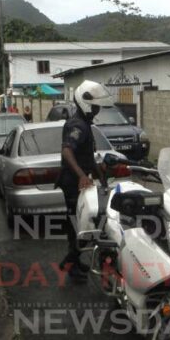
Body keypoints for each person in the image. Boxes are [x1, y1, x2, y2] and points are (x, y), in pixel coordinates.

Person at [56, 80, 113, 279]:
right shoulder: (77, 125)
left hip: (79, 181)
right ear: (85, 103)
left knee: (80, 225)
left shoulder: (85, 124)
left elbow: (87, 156)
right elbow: (67, 150)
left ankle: (72, 262)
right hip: (72, 182)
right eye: (95, 106)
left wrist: (99, 173)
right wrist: (81, 175)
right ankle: (70, 265)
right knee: (78, 226)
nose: (97, 109)